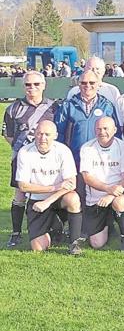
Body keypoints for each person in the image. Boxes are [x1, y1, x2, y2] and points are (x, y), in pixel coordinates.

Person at [4, 71, 56, 248]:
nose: (31, 88)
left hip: (48, 159)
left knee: (52, 190)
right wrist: (26, 149)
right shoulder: (13, 108)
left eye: (36, 84)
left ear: (44, 85)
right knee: (20, 194)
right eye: (28, 84)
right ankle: (16, 233)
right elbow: (8, 135)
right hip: (22, 158)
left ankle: (54, 229)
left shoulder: (54, 107)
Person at [15, 120, 83, 255]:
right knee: (38, 248)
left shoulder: (63, 151)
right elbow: (23, 185)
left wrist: (48, 201)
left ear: (55, 135)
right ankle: (56, 227)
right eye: (39, 134)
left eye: (47, 134)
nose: (43, 138)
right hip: (37, 202)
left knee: (73, 198)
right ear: (34, 133)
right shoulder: (25, 152)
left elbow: (72, 183)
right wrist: (54, 187)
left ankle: (74, 243)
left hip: (57, 199)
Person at [79, 116, 124, 250]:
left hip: (117, 193)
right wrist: (107, 189)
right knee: (97, 244)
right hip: (96, 198)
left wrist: (111, 195)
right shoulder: (87, 147)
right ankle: (108, 223)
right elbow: (87, 177)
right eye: (98, 129)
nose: (102, 132)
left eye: (105, 128)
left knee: (120, 203)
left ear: (115, 130)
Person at [54, 70, 119, 166]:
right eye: (83, 83)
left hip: (100, 161)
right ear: (78, 85)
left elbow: (116, 134)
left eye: (92, 83)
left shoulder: (107, 106)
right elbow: (59, 133)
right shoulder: (68, 106)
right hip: (74, 161)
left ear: (98, 85)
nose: (87, 86)